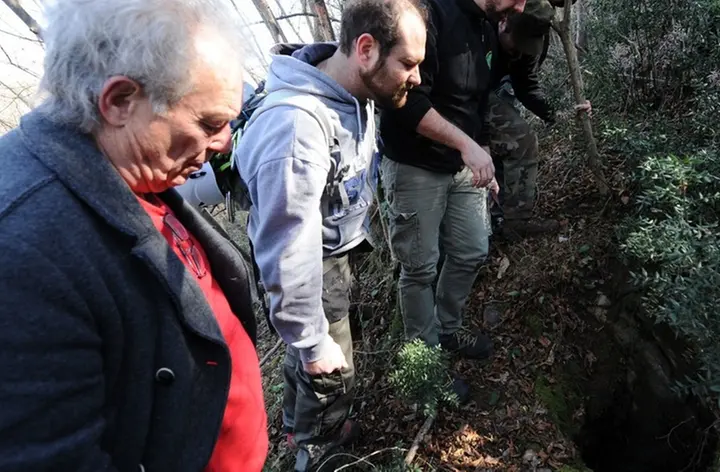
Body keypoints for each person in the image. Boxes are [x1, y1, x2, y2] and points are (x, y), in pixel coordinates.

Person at [0, 1, 268, 471]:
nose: (225, 141)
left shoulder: (137, 167)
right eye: (209, 123)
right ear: (120, 100)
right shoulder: (23, 247)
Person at [233, 0, 427, 469]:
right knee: (331, 370)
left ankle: (297, 425)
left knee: (315, 361)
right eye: (408, 63)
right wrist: (311, 340)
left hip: (332, 257)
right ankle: (317, 450)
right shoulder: (298, 128)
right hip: (310, 273)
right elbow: (286, 253)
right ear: (366, 49)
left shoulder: (353, 94)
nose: (416, 78)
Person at [378, 0, 526, 366]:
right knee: (419, 268)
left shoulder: (487, 30)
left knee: (473, 249)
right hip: (415, 164)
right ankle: (424, 361)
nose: (521, 7)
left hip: (464, 164)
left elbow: (480, 102)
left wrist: (484, 154)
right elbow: (404, 100)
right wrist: (467, 146)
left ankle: (447, 327)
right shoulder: (431, 13)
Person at [486, 0, 591, 239]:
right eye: (517, 46)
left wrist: (561, 114)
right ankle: (513, 221)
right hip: (466, 94)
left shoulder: (531, 40)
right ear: (503, 24)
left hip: (491, 90)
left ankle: (504, 220)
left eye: (527, 47)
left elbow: (527, 87)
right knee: (520, 139)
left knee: (510, 146)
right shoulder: (481, 29)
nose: (520, 53)